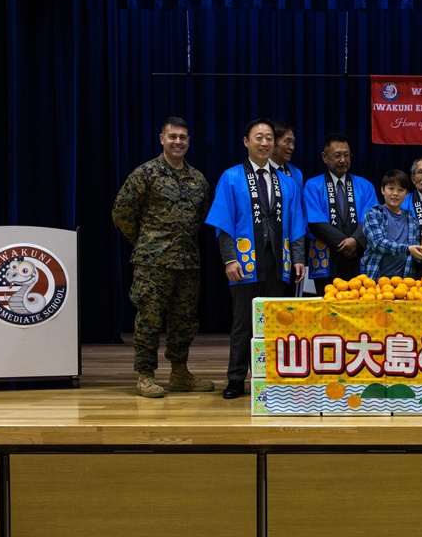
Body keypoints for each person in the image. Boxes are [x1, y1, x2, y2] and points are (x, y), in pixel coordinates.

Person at [205, 118, 307, 400]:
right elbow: (223, 223)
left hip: (278, 261)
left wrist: (298, 258)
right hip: (245, 262)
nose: (264, 143)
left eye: (269, 138)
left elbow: (297, 223)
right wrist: (229, 259)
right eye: (258, 138)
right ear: (246, 142)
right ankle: (236, 379)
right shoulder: (232, 177)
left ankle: (270, 378)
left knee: (274, 322)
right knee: (242, 323)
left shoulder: (286, 182)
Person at [112, 117, 213, 398]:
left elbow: (200, 217)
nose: (178, 141)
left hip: (187, 262)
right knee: (149, 320)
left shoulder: (198, 180)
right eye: (173, 137)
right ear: (161, 139)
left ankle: (180, 372)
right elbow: (121, 212)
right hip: (152, 263)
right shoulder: (146, 174)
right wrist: (146, 242)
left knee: (184, 320)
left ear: (189, 141)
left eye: (183, 137)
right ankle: (145, 376)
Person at [303, 133, 378, 294]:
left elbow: (371, 219)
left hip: (358, 256)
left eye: (346, 155)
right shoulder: (313, 185)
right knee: (327, 311)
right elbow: (315, 222)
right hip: (326, 257)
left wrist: (355, 240)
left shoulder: (365, 185)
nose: (343, 160)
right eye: (337, 155)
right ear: (325, 157)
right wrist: (345, 243)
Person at [362, 170, 422, 280]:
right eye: (391, 188)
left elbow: (415, 252)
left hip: (405, 281)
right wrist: (408, 249)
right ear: (383, 190)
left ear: (406, 194)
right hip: (376, 279)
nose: (395, 193)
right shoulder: (373, 213)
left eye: (400, 190)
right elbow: (377, 243)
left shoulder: (411, 219)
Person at [270, 120, 304, 188]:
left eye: (293, 142)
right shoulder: (260, 170)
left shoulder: (296, 173)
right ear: (273, 142)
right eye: (287, 142)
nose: (292, 147)